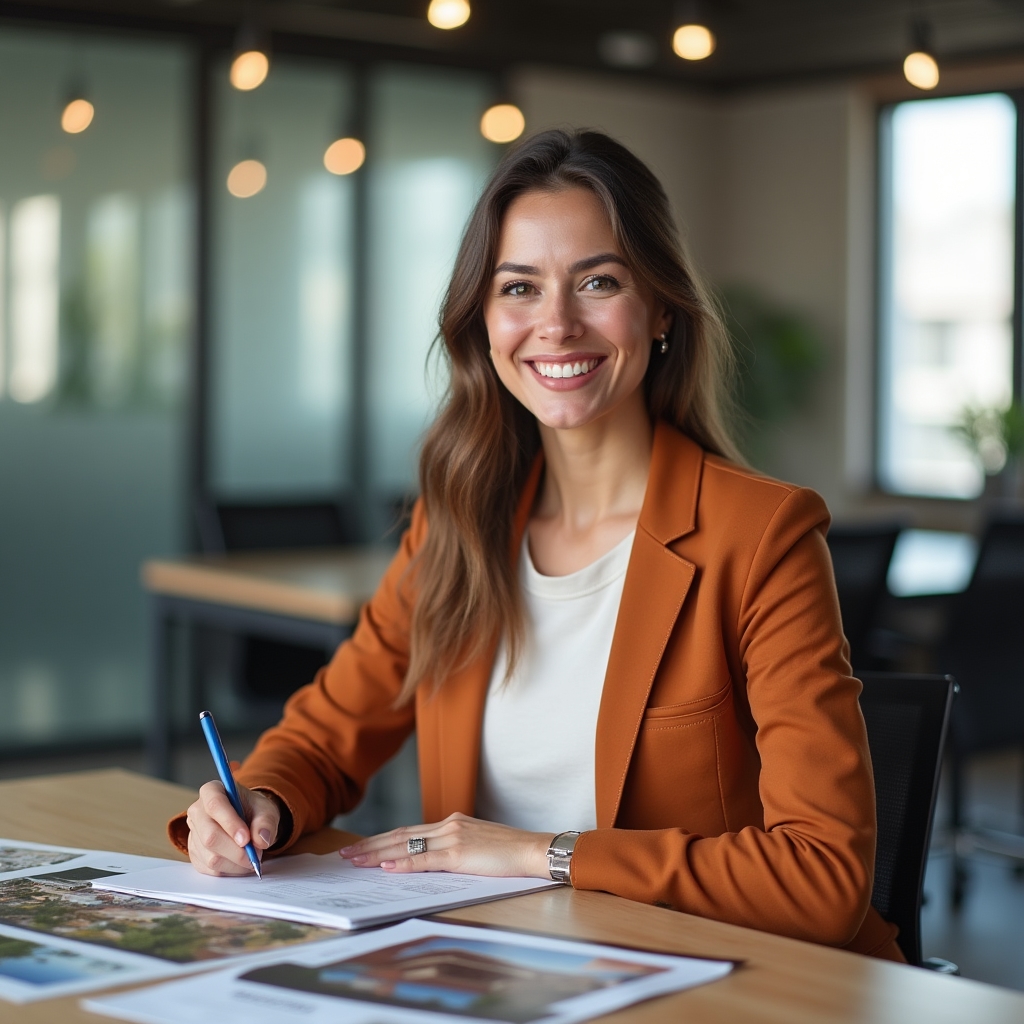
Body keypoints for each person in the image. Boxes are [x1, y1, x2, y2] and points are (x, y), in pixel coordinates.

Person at [171, 129, 902, 962]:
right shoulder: (458, 526)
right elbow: (326, 735)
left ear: (661, 309)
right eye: (519, 287)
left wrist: (543, 855)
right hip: (502, 971)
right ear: (483, 323)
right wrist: (257, 801)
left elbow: (824, 878)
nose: (556, 324)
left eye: (598, 281)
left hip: (718, 980)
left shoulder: (760, 536)